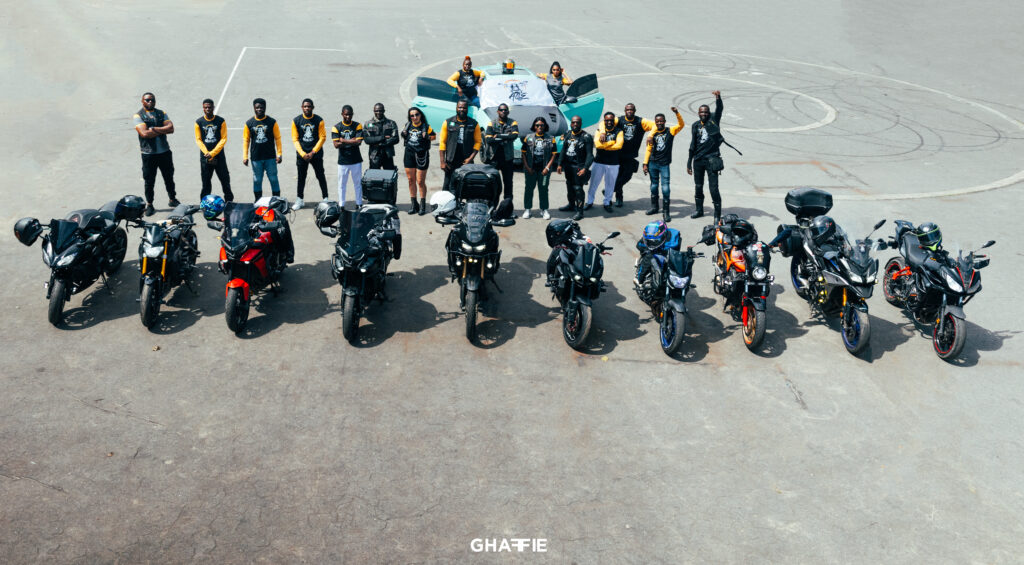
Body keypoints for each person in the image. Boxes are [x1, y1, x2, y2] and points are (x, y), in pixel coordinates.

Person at [133, 92, 178, 216]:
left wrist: (154, 129)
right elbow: (144, 134)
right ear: (142, 101)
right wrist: (162, 130)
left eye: (152, 100)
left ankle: (172, 199)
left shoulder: (161, 113)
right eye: (147, 100)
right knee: (149, 180)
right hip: (149, 154)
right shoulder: (139, 115)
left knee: (169, 177)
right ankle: (150, 204)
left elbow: (171, 128)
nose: (150, 102)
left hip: (164, 152)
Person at [642, 107, 686, 222]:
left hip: (664, 165)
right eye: (657, 122)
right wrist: (645, 163)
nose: (659, 123)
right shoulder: (652, 134)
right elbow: (648, 149)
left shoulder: (670, 131)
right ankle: (654, 207)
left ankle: (666, 212)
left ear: (665, 122)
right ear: (655, 122)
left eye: (661, 121)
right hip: (653, 163)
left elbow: (681, 125)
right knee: (653, 186)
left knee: (665, 188)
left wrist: (677, 113)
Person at [687, 90, 724, 219]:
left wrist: (718, 98)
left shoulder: (713, 121)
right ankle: (699, 210)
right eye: (701, 112)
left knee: (713, 188)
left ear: (709, 113)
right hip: (698, 160)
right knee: (698, 187)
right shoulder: (695, 126)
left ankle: (717, 215)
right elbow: (693, 144)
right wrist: (689, 162)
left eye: (706, 112)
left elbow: (719, 109)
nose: (703, 114)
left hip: (711, 160)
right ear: (698, 113)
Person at [613, 103, 656, 208]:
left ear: (634, 111)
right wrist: (602, 133)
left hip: (630, 155)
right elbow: (604, 123)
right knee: (617, 176)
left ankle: (611, 189)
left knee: (627, 176)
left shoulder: (640, 121)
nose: (629, 111)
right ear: (624, 111)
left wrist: (650, 135)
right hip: (617, 154)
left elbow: (655, 125)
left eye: (631, 109)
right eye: (627, 109)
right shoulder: (619, 120)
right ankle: (618, 198)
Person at [242, 98, 282, 200]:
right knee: (257, 180)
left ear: (265, 108)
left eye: (261, 107)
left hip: (270, 157)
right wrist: (245, 156)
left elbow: (277, 138)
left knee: (273, 179)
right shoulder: (249, 123)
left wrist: (279, 154)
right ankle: (258, 200)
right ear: (254, 108)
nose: (259, 109)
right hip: (256, 157)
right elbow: (246, 140)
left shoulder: (272, 122)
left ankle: (276, 200)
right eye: (257, 107)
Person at [291, 98, 327, 210]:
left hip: (316, 154)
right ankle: (299, 199)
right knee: (301, 177)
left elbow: (322, 137)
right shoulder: (296, 121)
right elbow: (295, 139)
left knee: (320, 175)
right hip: (302, 155)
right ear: (302, 107)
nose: (307, 108)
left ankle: (325, 198)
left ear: (312, 107)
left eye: (309, 106)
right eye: (305, 106)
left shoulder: (319, 120)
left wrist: (313, 152)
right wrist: (303, 154)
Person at [438, 99, 481, 193]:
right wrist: (442, 161)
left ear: (467, 109)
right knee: (447, 186)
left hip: (466, 161)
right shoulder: (448, 122)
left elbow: (478, 142)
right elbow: (442, 142)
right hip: (451, 160)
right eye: (460, 107)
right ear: (456, 108)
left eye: (464, 108)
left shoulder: (474, 124)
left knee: (466, 186)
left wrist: (470, 158)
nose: (462, 109)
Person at [194, 98, 233, 202]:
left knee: (225, 180)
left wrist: (213, 153)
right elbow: (198, 139)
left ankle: (229, 202)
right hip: (205, 158)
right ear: (203, 108)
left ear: (213, 108)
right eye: (205, 107)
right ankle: (204, 203)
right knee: (206, 183)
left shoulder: (221, 121)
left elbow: (223, 138)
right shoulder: (199, 122)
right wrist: (207, 152)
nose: (208, 109)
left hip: (219, 157)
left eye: (210, 107)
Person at [556, 115, 594, 221]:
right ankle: (571, 205)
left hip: (579, 167)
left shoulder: (586, 137)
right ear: (571, 123)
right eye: (573, 122)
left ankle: (580, 212)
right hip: (568, 166)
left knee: (578, 188)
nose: (575, 124)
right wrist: (559, 164)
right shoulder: (568, 134)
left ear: (581, 123)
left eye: (577, 122)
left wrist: (585, 168)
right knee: (569, 186)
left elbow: (590, 155)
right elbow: (563, 150)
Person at [400, 107, 436, 215]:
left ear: (420, 115)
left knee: (420, 181)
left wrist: (427, 137)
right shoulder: (407, 125)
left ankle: (422, 204)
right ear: (410, 117)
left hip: (422, 155)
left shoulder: (426, 126)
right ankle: (414, 204)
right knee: (411, 180)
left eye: (417, 114)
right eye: (412, 115)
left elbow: (434, 136)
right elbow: (403, 134)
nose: (415, 117)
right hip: (409, 154)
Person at [521, 117, 557, 220]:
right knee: (529, 189)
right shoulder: (528, 137)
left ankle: (544, 209)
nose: (539, 127)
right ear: (534, 126)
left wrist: (547, 168)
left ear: (545, 126)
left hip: (544, 170)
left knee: (543, 189)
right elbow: (523, 153)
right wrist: (527, 167)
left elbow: (554, 154)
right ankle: (527, 209)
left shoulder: (550, 138)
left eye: (542, 125)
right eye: (537, 125)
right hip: (531, 169)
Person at [588, 111, 623, 213]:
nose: (609, 122)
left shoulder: (619, 131)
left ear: (614, 121)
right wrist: (612, 142)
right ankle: (589, 202)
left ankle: (607, 203)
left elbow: (619, 146)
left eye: (611, 120)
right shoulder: (599, 131)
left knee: (610, 185)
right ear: (604, 121)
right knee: (593, 183)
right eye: (607, 120)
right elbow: (598, 145)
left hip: (613, 163)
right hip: (599, 162)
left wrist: (606, 145)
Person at [484, 103, 519, 201]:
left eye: (505, 110)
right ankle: (492, 205)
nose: (503, 111)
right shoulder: (492, 123)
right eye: (501, 110)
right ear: (497, 111)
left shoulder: (513, 122)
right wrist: (506, 137)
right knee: (492, 183)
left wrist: (498, 136)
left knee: (508, 184)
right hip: (494, 159)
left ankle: (507, 206)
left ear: (508, 112)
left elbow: (514, 136)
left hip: (508, 159)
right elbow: (489, 140)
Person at [331, 105, 364, 208]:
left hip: (356, 160)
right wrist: (352, 141)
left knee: (357, 183)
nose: (348, 116)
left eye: (350, 114)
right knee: (342, 184)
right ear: (342, 114)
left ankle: (359, 203)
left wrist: (343, 140)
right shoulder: (336, 127)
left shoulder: (358, 125)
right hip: (343, 161)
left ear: (352, 114)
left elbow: (358, 142)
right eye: (346, 114)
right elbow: (336, 145)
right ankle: (341, 205)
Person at [364, 103, 399, 170]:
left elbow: (396, 139)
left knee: (389, 175)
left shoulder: (391, 123)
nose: (378, 112)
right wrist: (382, 138)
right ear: (374, 111)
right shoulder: (368, 124)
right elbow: (367, 140)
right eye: (376, 111)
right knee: (374, 175)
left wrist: (378, 143)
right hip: (374, 155)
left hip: (388, 154)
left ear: (384, 111)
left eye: (380, 110)